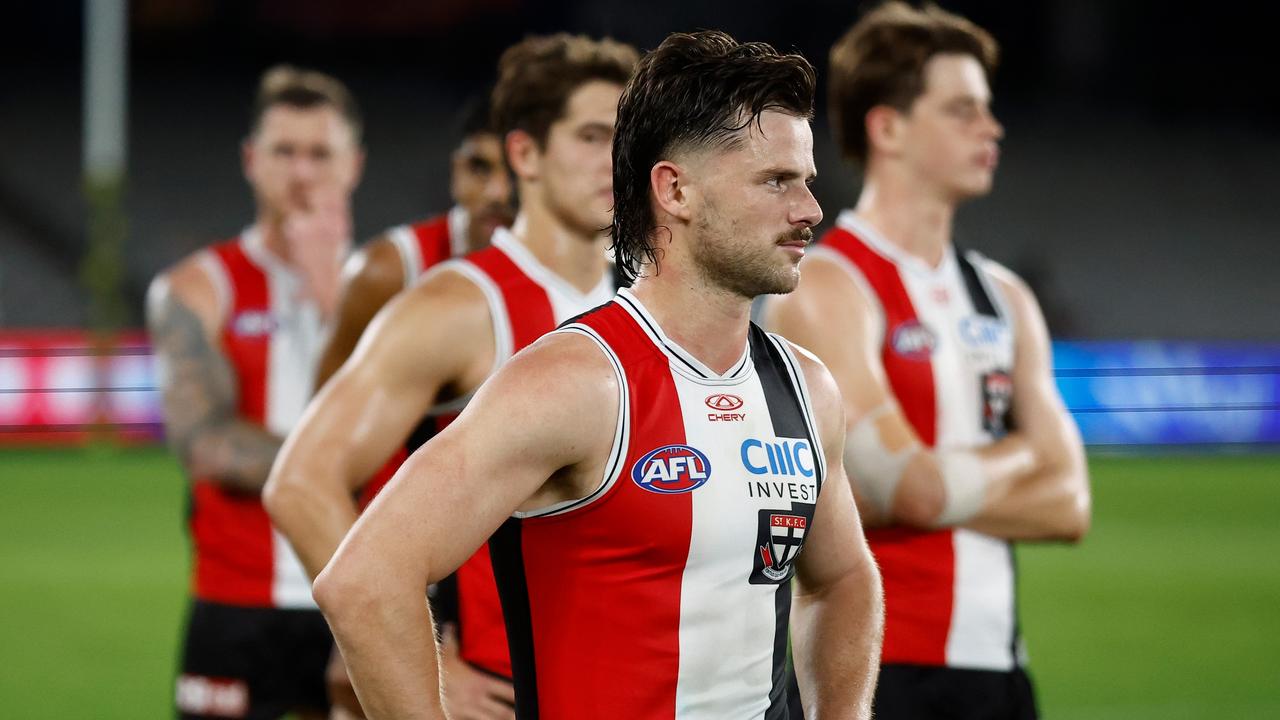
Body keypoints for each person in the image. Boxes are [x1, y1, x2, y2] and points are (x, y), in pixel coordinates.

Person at [312, 30, 884, 719]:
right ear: (675, 190)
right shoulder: (573, 382)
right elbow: (365, 579)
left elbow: (844, 578)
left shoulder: (804, 388)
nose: (810, 211)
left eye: (807, 182)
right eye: (776, 181)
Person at [263, 34, 638, 720]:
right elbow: (300, 482)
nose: (616, 157)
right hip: (499, 690)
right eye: (591, 136)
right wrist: (423, 661)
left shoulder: (644, 304)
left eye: (627, 136)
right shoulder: (460, 304)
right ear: (524, 154)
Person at [763, 3, 1091, 718]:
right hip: (880, 669)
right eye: (962, 110)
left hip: (1001, 671)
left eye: (988, 110)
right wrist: (1020, 452)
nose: (991, 128)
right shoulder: (828, 283)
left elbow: (1071, 503)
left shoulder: (1005, 296)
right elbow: (907, 490)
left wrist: (943, 476)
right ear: (888, 128)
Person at [146, 65, 364, 720]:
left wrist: (338, 306)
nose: (302, 172)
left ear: (353, 164)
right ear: (250, 159)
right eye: (284, 151)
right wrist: (339, 463)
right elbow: (208, 446)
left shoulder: (402, 286)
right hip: (238, 599)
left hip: (361, 594)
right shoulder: (196, 288)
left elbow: (422, 438)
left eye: (320, 153)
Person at [313, 93, 514, 388]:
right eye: (479, 167)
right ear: (456, 169)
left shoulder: (594, 270)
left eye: (512, 172)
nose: (497, 192)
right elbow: (324, 419)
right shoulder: (385, 272)